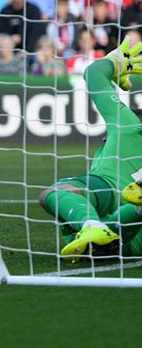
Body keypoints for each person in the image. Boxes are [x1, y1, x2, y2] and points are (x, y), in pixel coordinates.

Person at [40, 39, 142, 260]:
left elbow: (93, 74)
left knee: (54, 192)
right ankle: (133, 211)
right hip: (132, 243)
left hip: (106, 191)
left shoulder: (129, 126)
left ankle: (92, 225)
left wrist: (117, 64)